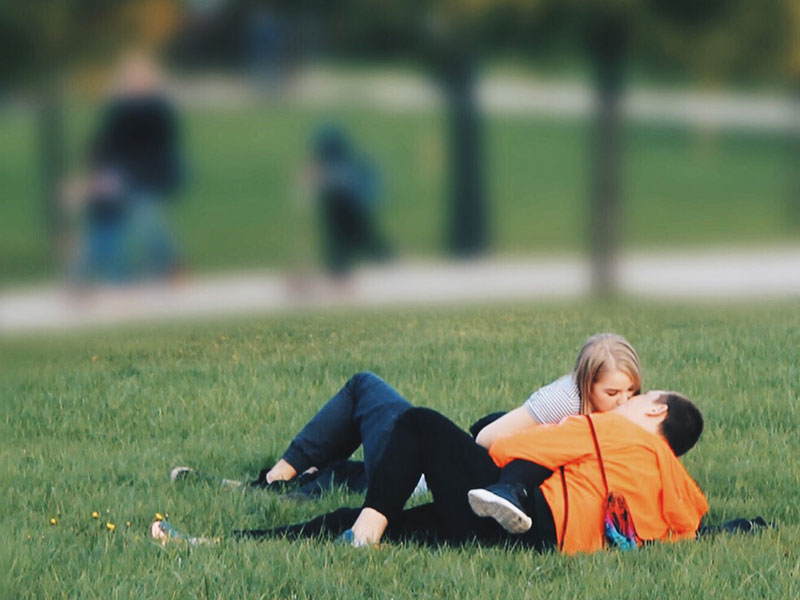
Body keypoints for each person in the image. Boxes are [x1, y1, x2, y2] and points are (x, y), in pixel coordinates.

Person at [153, 390, 707, 554]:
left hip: (525, 515)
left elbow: (502, 447)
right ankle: (209, 542)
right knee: (374, 517)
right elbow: (694, 530)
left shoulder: (619, 431)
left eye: (640, 398)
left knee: (418, 425)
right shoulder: (681, 489)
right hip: (524, 544)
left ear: (655, 411)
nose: (626, 403)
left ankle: (362, 535)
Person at [172, 333, 641, 497]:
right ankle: (278, 482)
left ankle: (275, 479)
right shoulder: (567, 402)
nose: (622, 403)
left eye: (630, 392)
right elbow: (491, 439)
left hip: (418, 480)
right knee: (340, 476)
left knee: (365, 387)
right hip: (432, 474)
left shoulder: (590, 414)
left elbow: (484, 444)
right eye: (613, 392)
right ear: (585, 385)